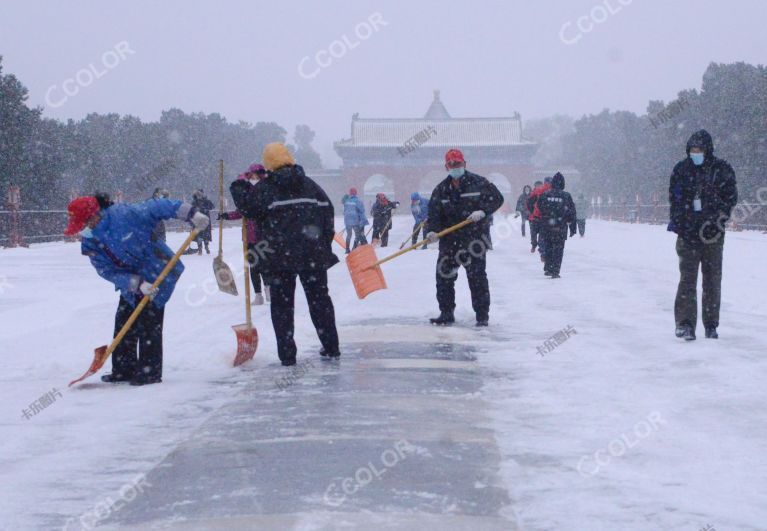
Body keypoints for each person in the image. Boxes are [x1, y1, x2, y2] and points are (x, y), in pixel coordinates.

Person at [63, 194, 209, 385]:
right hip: (131, 282)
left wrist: (191, 214)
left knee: (149, 322)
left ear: (95, 215)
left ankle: (150, 372)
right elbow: (105, 270)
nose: (84, 229)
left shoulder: (126, 215)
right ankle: (124, 369)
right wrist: (136, 283)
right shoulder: (90, 242)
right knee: (124, 321)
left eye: (85, 223)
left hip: (158, 272)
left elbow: (160, 206)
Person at [230, 142, 340, 366]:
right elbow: (328, 214)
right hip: (313, 256)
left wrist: (240, 183)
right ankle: (331, 347)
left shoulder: (266, 189)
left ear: (268, 164)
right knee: (320, 302)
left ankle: (288, 356)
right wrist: (322, 244)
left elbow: (247, 207)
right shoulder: (311, 186)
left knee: (282, 306)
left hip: (279, 258)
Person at [668, 129, 737, 341]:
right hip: (688, 235)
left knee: (712, 281)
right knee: (687, 280)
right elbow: (675, 199)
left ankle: (711, 325)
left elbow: (730, 198)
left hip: (713, 235)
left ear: (707, 150)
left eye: (699, 150)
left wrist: (716, 220)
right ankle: (685, 324)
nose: (695, 153)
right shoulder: (681, 170)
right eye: (692, 150)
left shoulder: (722, 170)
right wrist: (683, 223)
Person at [426, 148, 504, 327]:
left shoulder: (480, 183)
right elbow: (434, 213)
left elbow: (497, 199)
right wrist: (433, 231)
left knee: (477, 279)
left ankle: (482, 316)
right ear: (446, 166)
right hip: (449, 241)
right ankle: (446, 313)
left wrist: (483, 211)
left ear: (464, 164)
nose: (455, 167)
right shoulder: (441, 190)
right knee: (443, 277)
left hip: (474, 240)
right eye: (452, 164)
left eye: (458, 164)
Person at [219, 167, 269, 305]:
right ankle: (258, 295)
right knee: (252, 267)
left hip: (263, 237)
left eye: (256, 176)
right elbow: (239, 212)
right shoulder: (245, 195)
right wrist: (225, 215)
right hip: (248, 238)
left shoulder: (263, 192)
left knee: (265, 266)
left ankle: (268, 289)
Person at [538, 172, 577, 278]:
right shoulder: (566, 196)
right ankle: (555, 270)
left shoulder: (545, 195)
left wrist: (546, 218)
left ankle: (548, 268)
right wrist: (572, 228)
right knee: (558, 250)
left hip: (547, 226)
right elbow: (572, 212)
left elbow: (539, 207)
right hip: (560, 227)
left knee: (548, 247)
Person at [527, 179, 552, 258]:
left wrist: (532, 211)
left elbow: (529, 202)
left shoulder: (537, 191)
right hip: (546, 217)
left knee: (534, 233)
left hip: (536, 217)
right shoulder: (554, 191)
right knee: (542, 235)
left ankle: (535, 246)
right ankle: (542, 250)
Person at [343, 187, 368, 252]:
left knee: (349, 235)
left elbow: (345, 210)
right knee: (357, 235)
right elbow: (362, 210)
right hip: (355, 220)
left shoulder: (347, 201)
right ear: (356, 193)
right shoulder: (358, 201)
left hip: (347, 221)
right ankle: (354, 248)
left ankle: (347, 249)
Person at [192, 189, 214, 254]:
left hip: (201, 220)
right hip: (201, 220)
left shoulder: (201, 201)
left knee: (201, 235)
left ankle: (203, 248)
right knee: (202, 235)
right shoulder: (196, 201)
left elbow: (212, 206)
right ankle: (202, 248)